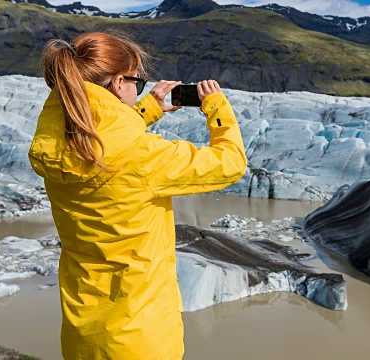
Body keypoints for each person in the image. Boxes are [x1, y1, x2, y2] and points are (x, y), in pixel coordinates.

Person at [28, 31, 247, 360]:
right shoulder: (144, 158)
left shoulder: (56, 146)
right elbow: (230, 164)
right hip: (140, 338)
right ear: (119, 83)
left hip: (83, 334)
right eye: (137, 83)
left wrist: (147, 109)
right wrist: (217, 108)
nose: (138, 89)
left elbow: (101, 143)